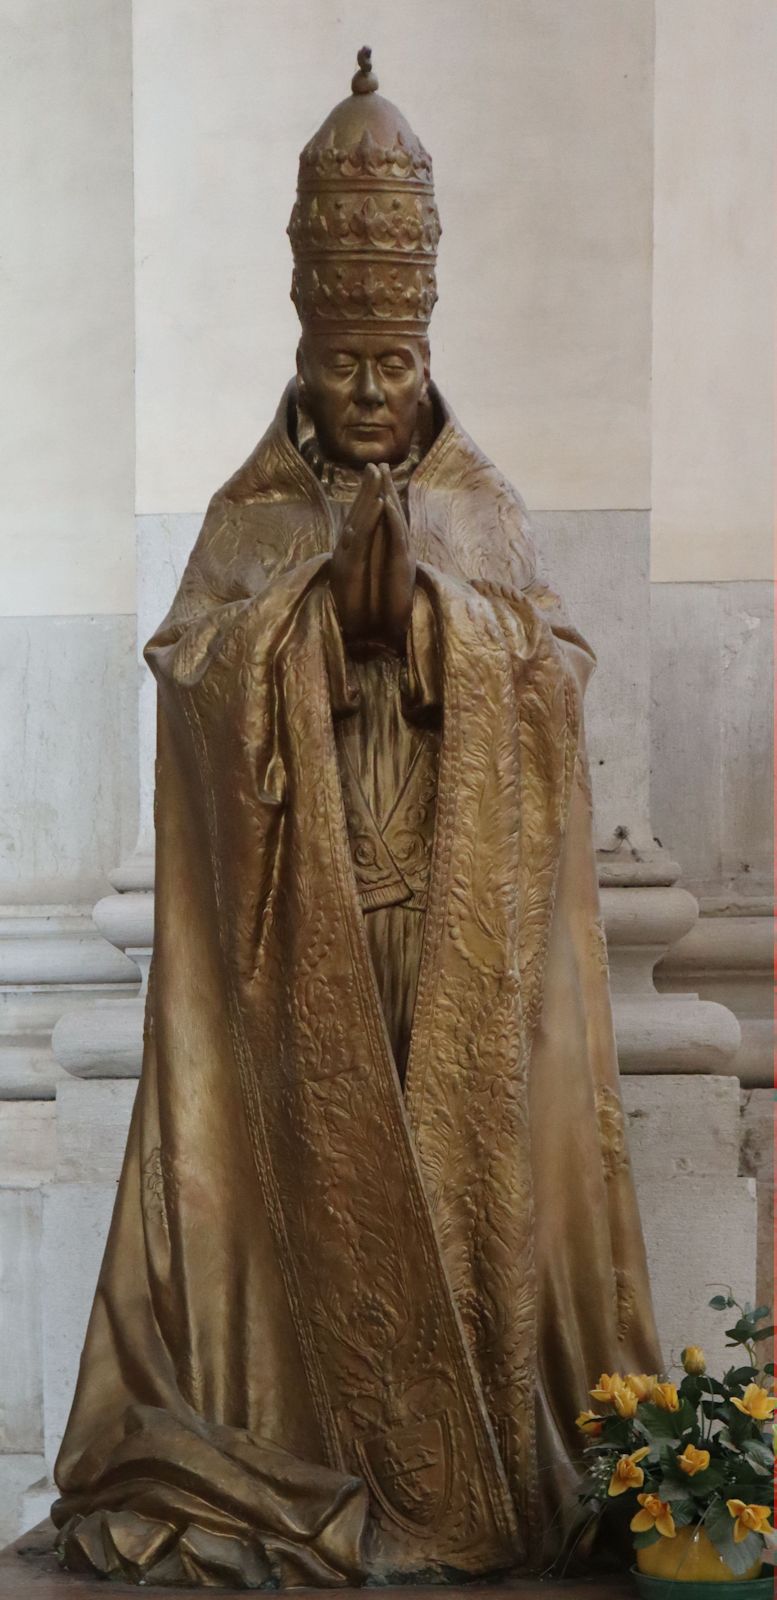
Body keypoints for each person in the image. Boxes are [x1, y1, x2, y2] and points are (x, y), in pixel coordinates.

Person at [52, 49, 662, 1589]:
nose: (373, 390)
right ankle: (324, 1450)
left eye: (393, 360)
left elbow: (554, 675)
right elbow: (190, 678)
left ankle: (458, 1476)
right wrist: (307, 620)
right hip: (302, 934)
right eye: (346, 364)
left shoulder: (485, 509)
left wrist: (439, 620)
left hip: (442, 926)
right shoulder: (245, 518)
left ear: (427, 344)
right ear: (304, 350)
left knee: (451, 1185)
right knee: (306, 1184)